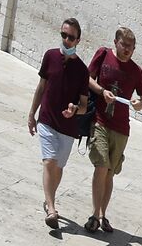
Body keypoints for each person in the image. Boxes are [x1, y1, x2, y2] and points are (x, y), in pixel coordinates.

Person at [28, 17, 96, 232]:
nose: (66, 40)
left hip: (68, 127)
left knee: (58, 167)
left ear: (78, 40)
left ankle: (49, 200)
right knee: (49, 162)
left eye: (71, 37)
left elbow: (85, 105)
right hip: (47, 119)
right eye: (63, 35)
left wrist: (75, 110)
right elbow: (41, 87)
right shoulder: (49, 56)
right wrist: (32, 114)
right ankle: (51, 208)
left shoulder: (82, 71)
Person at [84, 27, 142, 237]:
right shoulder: (103, 55)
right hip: (100, 121)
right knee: (101, 166)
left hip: (121, 128)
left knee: (110, 172)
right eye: (124, 45)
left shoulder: (136, 71)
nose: (127, 50)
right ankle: (94, 215)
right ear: (116, 42)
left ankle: (103, 215)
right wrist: (101, 91)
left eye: (131, 47)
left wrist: (140, 104)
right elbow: (87, 78)